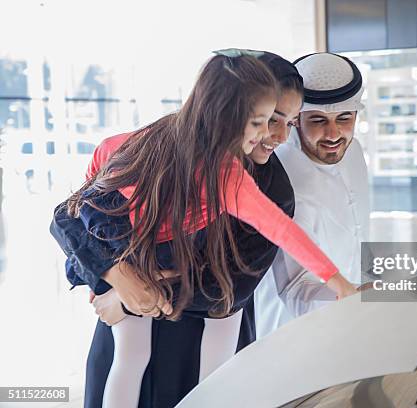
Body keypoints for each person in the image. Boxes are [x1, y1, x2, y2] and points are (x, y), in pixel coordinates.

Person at [50, 52, 355, 408]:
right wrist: (111, 275)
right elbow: (79, 208)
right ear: (228, 113)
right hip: (132, 270)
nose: (274, 136)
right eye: (265, 121)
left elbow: (272, 241)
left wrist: (339, 282)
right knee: (129, 361)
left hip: (189, 313)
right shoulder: (153, 145)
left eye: (286, 122)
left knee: (211, 365)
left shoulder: (250, 182)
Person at [254, 52, 370, 338]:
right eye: (317, 120)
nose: (333, 134)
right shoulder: (274, 170)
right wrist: (349, 297)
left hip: (352, 317)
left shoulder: (355, 151)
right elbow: (292, 288)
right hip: (290, 332)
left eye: (344, 118)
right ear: (296, 119)